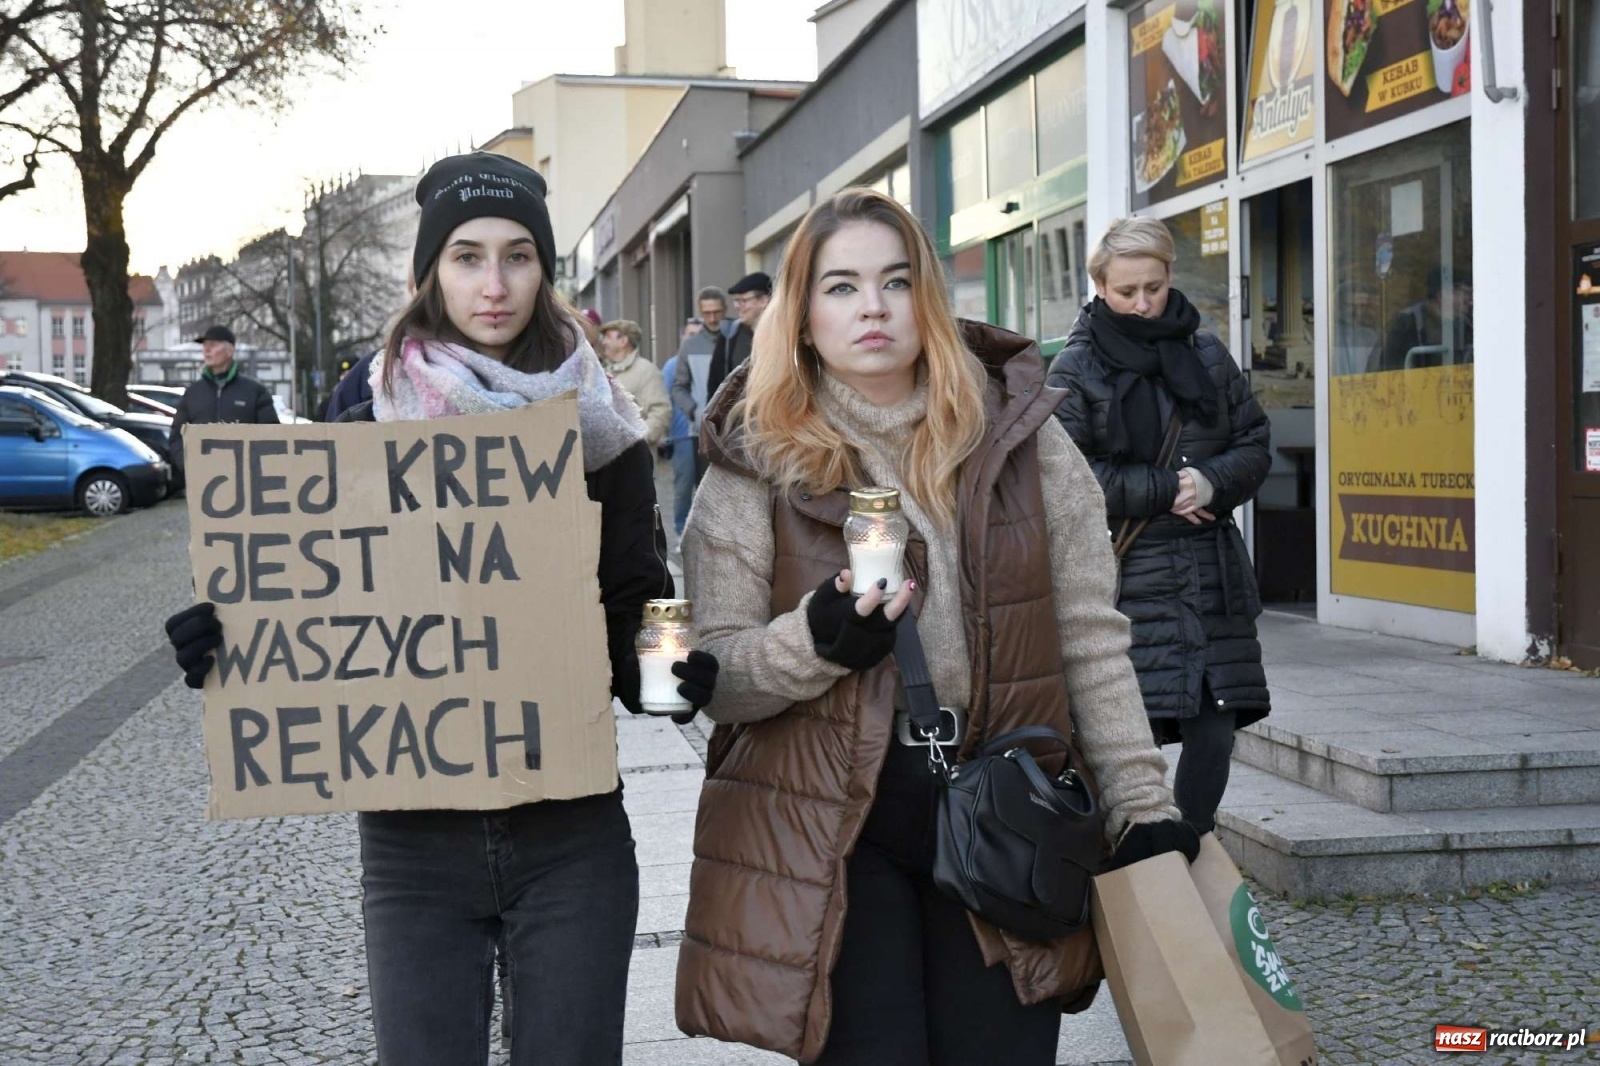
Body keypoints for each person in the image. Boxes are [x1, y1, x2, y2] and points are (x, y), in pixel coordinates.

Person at [163, 152, 720, 1066]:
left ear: (546, 273)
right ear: (429, 273)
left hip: (569, 834)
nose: (493, 284)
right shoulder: (360, 434)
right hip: (414, 846)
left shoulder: (604, 438)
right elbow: (312, 610)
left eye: (517, 257)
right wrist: (224, 640)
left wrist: (670, 677)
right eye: (466, 257)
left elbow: (631, 617)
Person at [674, 188, 1196, 1065]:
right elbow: (719, 673)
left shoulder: (1024, 438)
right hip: (836, 822)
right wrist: (819, 644)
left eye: (895, 280)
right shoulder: (752, 457)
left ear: (929, 299)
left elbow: (1088, 637)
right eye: (840, 287)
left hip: (1008, 806)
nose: (872, 307)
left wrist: (1144, 803)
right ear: (801, 316)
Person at [1045, 216, 1272, 837]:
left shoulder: (1205, 352)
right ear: (1099, 286)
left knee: (1213, 733)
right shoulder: (1075, 365)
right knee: (1117, 734)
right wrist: (1168, 489)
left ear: (1170, 276)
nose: (1143, 304)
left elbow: (1254, 442)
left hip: (1208, 575)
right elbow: (1068, 476)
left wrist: (1212, 483)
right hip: (1124, 577)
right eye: (1127, 292)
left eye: (1154, 287)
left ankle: (1187, 850)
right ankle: (1122, 856)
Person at [168, 324, 279, 483]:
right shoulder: (192, 393)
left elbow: (272, 434)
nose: (206, 350)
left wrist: (255, 468)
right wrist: (188, 465)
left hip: (247, 481)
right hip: (203, 482)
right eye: (205, 346)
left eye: (213, 345)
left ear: (230, 350)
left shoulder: (255, 391)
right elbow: (176, 437)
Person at [1369, 265, 1474, 371]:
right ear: (1442, 294)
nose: (1468, 299)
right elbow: (1389, 368)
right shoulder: (1406, 323)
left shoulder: (1465, 324)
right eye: (1464, 292)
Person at [669, 291, 724, 482]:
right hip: (702, 431)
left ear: (724, 310)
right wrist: (694, 411)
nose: (712, 318)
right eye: (707, 313)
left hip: (738, 429)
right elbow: (678, 387)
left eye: (716, 312)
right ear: (700, 312)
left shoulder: (739, 340)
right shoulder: (690, 345)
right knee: (704, 486)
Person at [600, 318, 671, 448]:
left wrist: (637, 441)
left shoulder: (646, 371)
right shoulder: (604, 371)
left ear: (623, 341)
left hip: (636, 458)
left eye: (608, 337)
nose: (604, 342)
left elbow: (661, 412)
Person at [659, 349, 696, 538]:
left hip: (706, 434)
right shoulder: (672, 365)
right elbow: (664, 397)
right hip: (682, 435)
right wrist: (664, 432)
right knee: (684, 485)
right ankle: (681, 530)